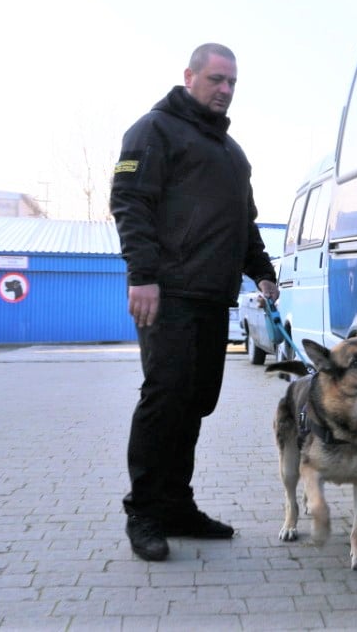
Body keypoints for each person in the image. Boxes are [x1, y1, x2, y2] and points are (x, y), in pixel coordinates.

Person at [110, 42, 279, 562]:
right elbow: (130, 203)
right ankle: (144, 511)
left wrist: (264, 271)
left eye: (232, 83)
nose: (225, 91)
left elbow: (242, 222)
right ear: (190, 76)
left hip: (212, 297)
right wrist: (143, 276)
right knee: (165, 400)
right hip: (168, 294)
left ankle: (176, 506)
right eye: (216, 80)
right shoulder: (153, 131)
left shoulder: (232, 153)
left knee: (194, 403)